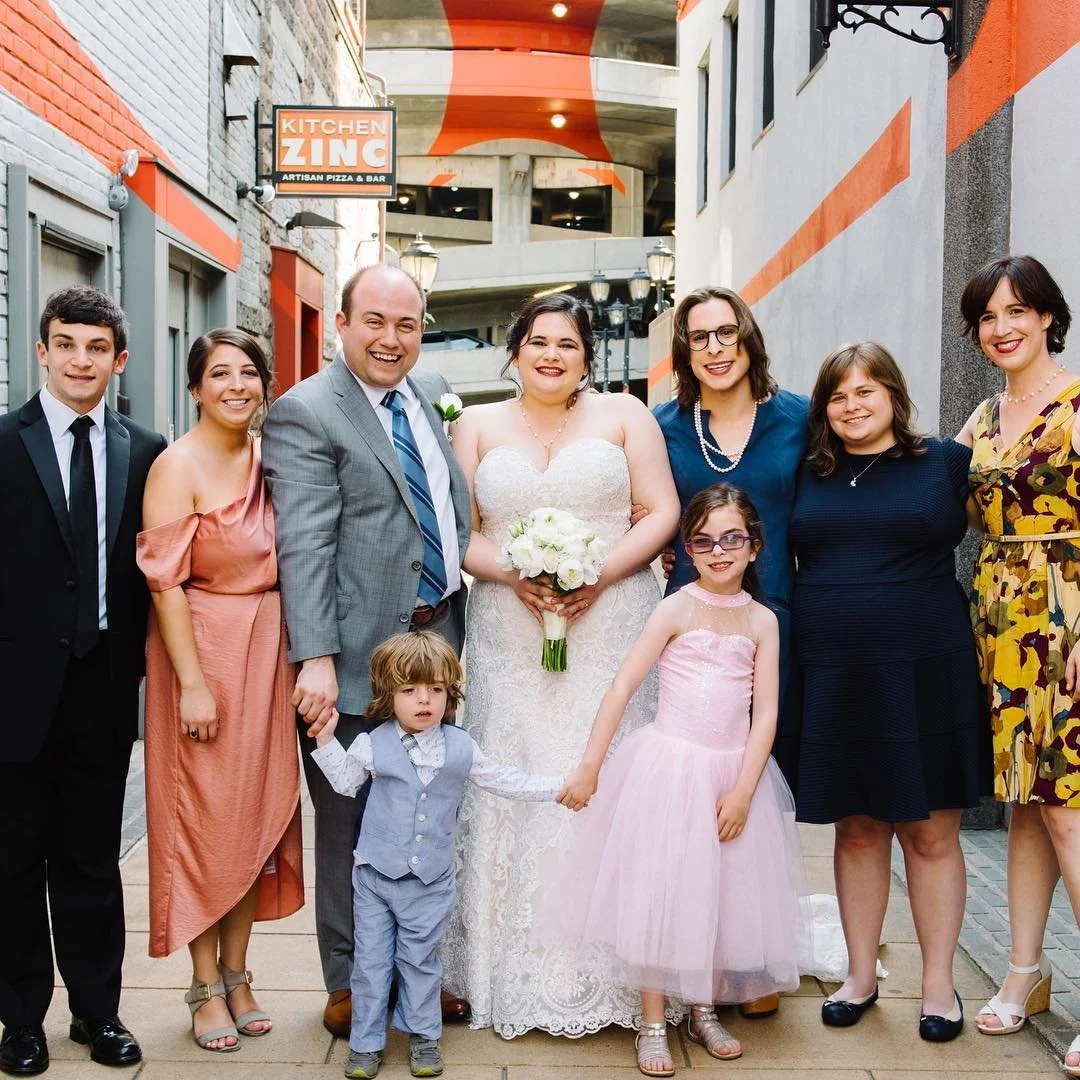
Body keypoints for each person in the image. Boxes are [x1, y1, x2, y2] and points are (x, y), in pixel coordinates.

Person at [441, 293, 680, 1037]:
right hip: (510, 629)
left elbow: (663, 511)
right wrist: (515, 577)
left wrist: (597, 575)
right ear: (513, 351)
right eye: (537, 341)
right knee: (512, 767)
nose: (551, 355)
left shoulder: (626, 417)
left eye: (568, 345)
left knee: (606, 771)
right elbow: (458, 532)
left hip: (611, 622)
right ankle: (500, 969)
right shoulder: (475, 426)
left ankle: (621, 975)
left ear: (587, 358)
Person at [261, 264, 473, 1038]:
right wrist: (315, 657)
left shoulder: (427, 390)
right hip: (353, 662)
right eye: (375, 321)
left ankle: (421, 975)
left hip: (437, 638)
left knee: (429, 816)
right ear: (340, 325)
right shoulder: (306, 412)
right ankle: (352, 984)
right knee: (351, 827)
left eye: (407, 324)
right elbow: (305, 545)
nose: (391, 338)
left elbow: (443, 510)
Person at [553, 484, 805, 1076]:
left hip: (732, 771)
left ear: (754, 546)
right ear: (688, 549)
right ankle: (651, 1019)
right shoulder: (674, 609)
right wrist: (591, 764)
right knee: (661, 892)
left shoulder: (764, 621)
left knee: (719, 892)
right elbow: (622, 687)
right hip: (669, 770)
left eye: (732, 539)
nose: (719, 551)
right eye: (705, 541)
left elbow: (765, 711)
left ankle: (704, 1006)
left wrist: (745, 789)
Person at [788, 342, 986, 1041]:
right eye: (839, 396)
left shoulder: (943, 464)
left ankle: (939, 987)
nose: (853, 405)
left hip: (926, 668)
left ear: (895, 396)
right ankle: (860, 975)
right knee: (858, 826)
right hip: (834, 670)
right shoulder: (807, 471)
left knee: (930, 831)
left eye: (867, 391)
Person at [0, 286, 166, 1075]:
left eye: (96, 348)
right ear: (43, 350)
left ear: (119, 359)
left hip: (101, 691)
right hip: (14, 696)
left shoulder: (147, 450)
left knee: (93, 863)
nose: (80, 360)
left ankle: (97, 1014)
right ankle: (22, 1022)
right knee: (12, 864)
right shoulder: (3, 443)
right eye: (66, 344)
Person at [137, 329, 304, 1052]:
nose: (236, 385)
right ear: (196, 386)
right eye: (219, 374)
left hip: (269, 651)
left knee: (257, 819)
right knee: (204, 823)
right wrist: (193, 686)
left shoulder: (273, 459)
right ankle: (203, 984)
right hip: (202, 647)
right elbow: (166, 584)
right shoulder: (177, 465)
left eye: (248, 373)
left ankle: (239, 974)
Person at [308, 632, 565, 1079]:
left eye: (436, 690)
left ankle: (424, 1037)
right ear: (389, 695)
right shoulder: (373, 743)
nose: (424, 700)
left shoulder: (461, 747)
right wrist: (327, 742)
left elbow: (502, 779)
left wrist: (557, 789)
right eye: (410, 690)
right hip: (374, 878)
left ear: (451, 693)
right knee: (370, 964)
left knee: (420, 961)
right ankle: (367, 1043)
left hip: (430, 882)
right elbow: (346, 784)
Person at [652, 285, 808, 1020]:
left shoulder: (799, 420)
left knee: (760, 785)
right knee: (696, 790)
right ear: (684, 350)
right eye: (699, 337)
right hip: (694, 632)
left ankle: (749, 953)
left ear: (748, 338)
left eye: (726, 333)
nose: (714, 348)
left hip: (778, 622)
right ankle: (696, 951)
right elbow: (647, 514)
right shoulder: (666, 428)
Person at [957, 255, 1080, 1076]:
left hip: (1070, 617)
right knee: (1025, 807)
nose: (1001, 327)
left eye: (1016, 311)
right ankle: (1024, 974)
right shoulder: (984, 415)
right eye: (986, 317)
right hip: (1000, 617)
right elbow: (946, 501)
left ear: (1046, 317)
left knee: (1069, 807)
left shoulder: (1076, 405)